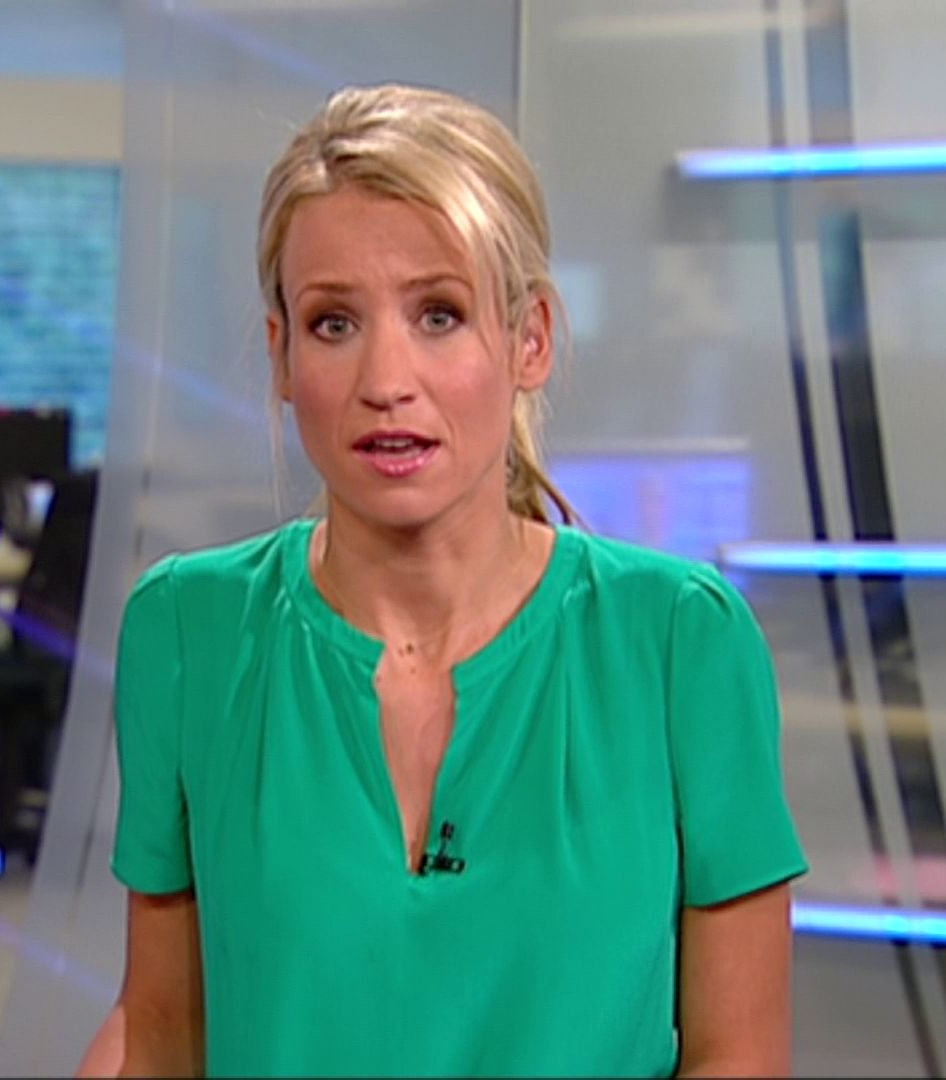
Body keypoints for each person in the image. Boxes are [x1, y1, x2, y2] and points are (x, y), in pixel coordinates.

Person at [78, 82, 808, 1079]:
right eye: (334, 323)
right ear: (281, 355)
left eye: (438, 314)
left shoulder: (681, 641)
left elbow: (740, 1056)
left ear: (530, 338)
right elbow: (162, 1028)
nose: (388, 381)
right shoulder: (186, 631)